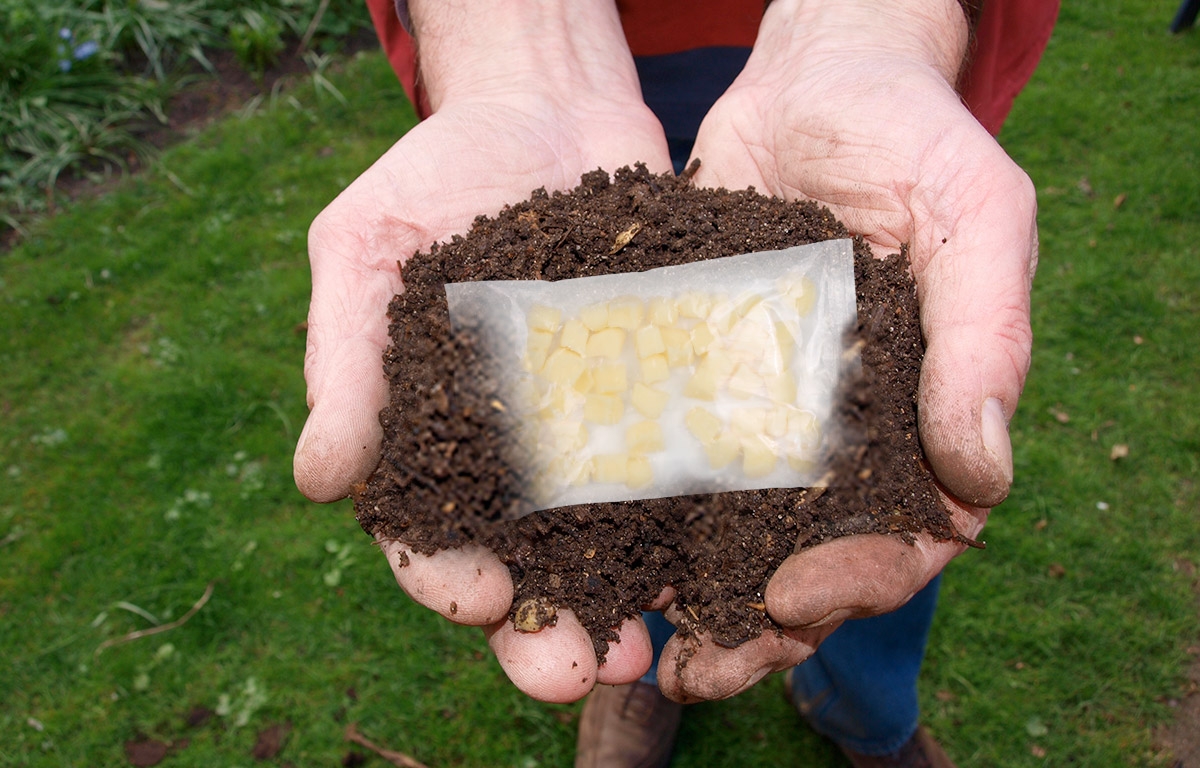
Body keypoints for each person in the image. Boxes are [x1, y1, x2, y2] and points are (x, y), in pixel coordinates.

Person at [294, 1, 1058, 765]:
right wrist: (517, 40)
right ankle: (632, 659)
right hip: (596, 49)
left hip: (860, 51)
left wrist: (878, 29)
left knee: (879, 505)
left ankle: (865, 711)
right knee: (650, 504)